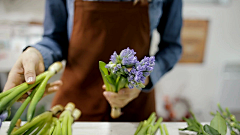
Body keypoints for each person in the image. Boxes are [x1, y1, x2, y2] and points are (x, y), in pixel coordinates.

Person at [3, 0, 182, 121]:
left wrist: (144, 76)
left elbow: (172, 47)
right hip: (74, 104)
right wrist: (36, 53)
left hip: (135, 104)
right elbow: (55, 38)